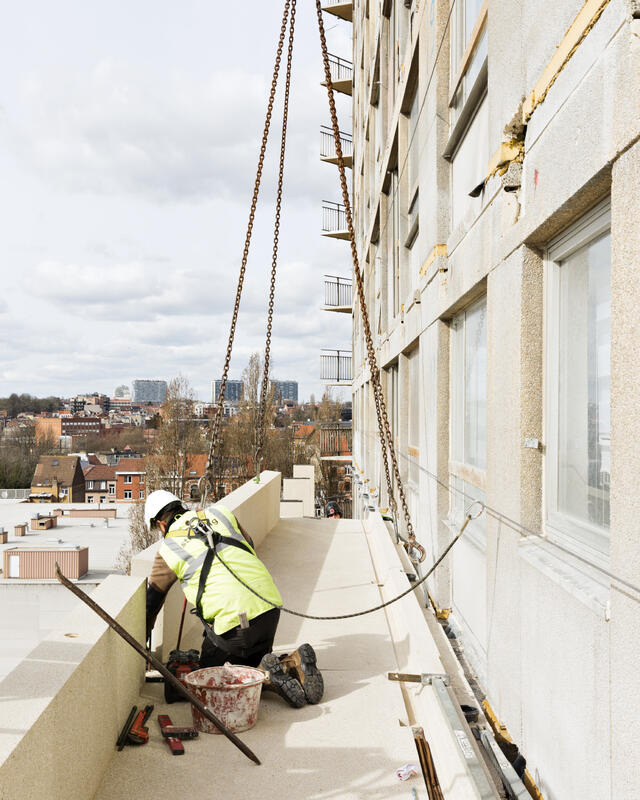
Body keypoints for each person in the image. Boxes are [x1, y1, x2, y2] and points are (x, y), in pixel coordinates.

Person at [144, 489, 323, 707]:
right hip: (269, 610)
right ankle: (291, 664)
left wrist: (143, 642)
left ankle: (267, 676)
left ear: (161, 524)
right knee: (250, 660)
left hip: (236, 628)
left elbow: (151, 604)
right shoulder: (220, 513)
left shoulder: (168, 548)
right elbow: (248, 545)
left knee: (209, 682)